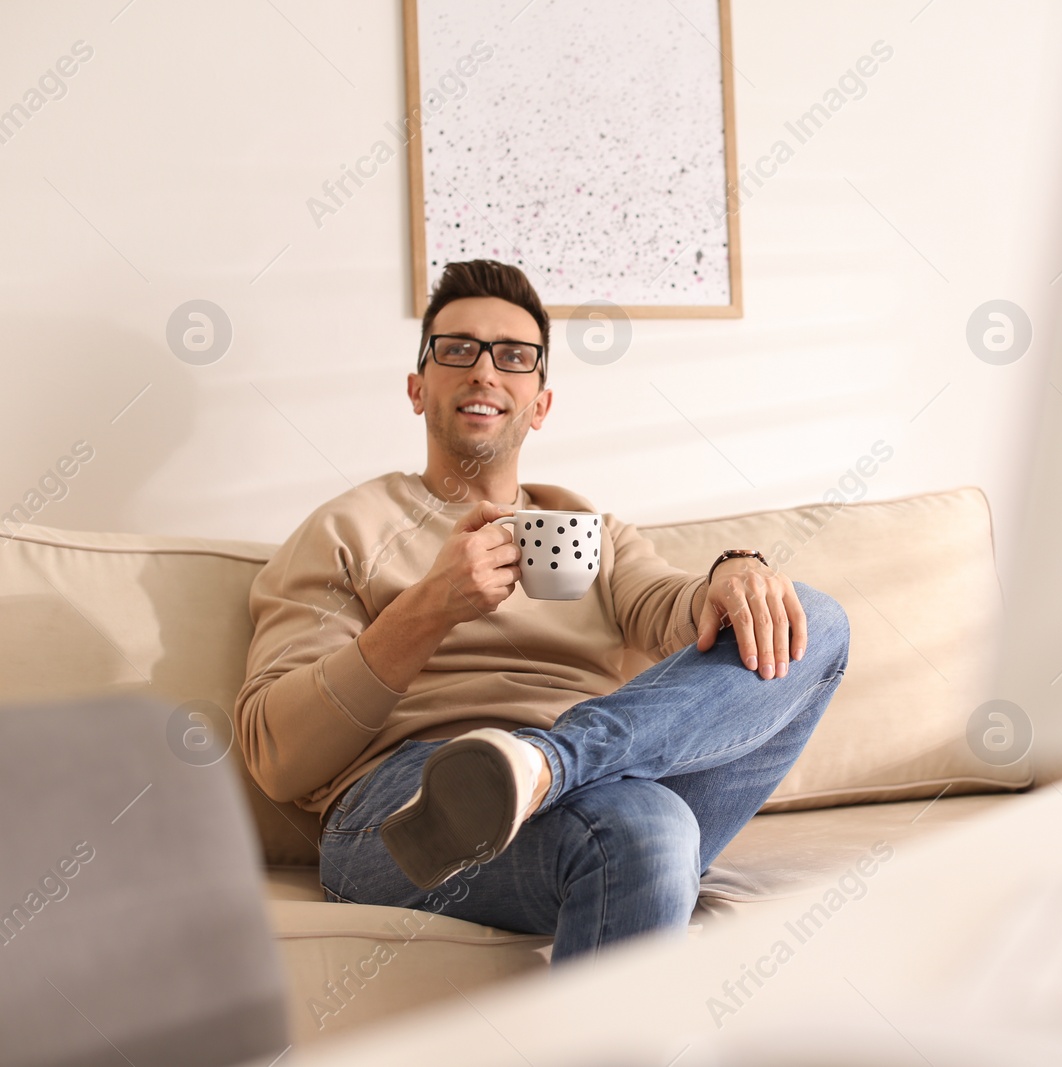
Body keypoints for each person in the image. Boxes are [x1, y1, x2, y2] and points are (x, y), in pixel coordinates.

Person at [234, 260, 850, 963]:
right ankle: (537, 770)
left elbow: (674, 607)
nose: (485, 371)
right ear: (417, 386)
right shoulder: (347, 529)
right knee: (646, 829)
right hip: (407, 808)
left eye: (515, 356)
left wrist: (734, 572)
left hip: (600, 778)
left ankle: (544, 763)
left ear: (541, 402)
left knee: (816, 619)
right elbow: (277, 755)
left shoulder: (591, 529)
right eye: (457, 349)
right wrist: (430, 608)